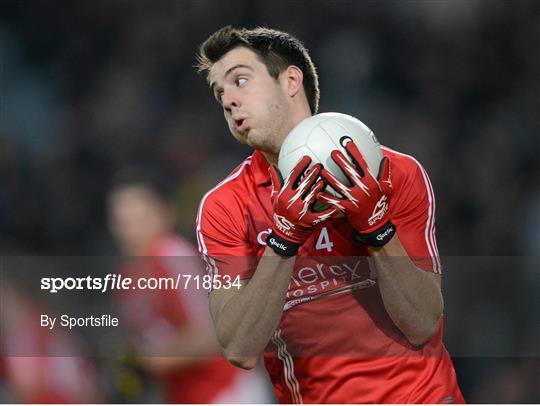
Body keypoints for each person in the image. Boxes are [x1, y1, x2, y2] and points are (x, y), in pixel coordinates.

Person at [194, 26, 465, 403]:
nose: (228, 100)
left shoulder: (394, 172)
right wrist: (284, 241)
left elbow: (421, 324)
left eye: (240, 81)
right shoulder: (225, 206)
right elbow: (239, 348)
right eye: (219, 92)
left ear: (290, 80)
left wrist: (377, 230)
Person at [107, 169, 272, 403]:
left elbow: (211, 334)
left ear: (165, 213)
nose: (131, 230)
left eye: (139, 218)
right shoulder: (125, 275)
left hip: (227, 391)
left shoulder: (171, 255)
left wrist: (150, 362)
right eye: (123, 221)